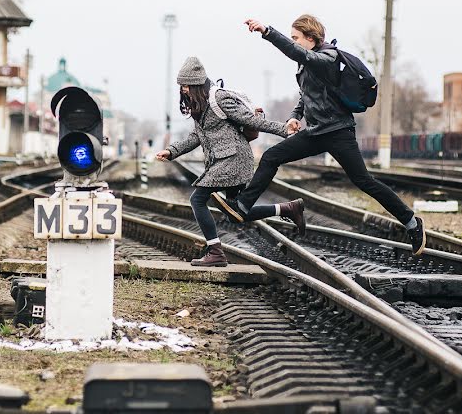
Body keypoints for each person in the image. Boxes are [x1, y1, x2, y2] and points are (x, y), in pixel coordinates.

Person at [210, 15, 427, 255]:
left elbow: (298, 54)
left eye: (296, 38)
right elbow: (306, 96)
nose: (294, 43)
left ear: (311, 39)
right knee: (272, 156)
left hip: (337, 132)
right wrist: (295, 115)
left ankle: (411, 222)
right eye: (292, 38)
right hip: (315, 132)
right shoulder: (308, 64)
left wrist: (267, 31)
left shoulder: (327, 57)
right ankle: (242, 206)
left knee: (363, 181)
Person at [156, 56, 306, 267]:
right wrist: (171, 151)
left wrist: (283, 129)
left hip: (233, 159)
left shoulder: (219, 98)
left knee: (197, 200)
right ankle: (288, 209)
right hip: (223, 161)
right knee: (237, 212)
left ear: (197, 84)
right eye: (181, 86)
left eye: (186, 85)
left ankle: (215, 251)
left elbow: (249, 119)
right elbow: (195, 137)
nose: (183, 90)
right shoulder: (199, 105)